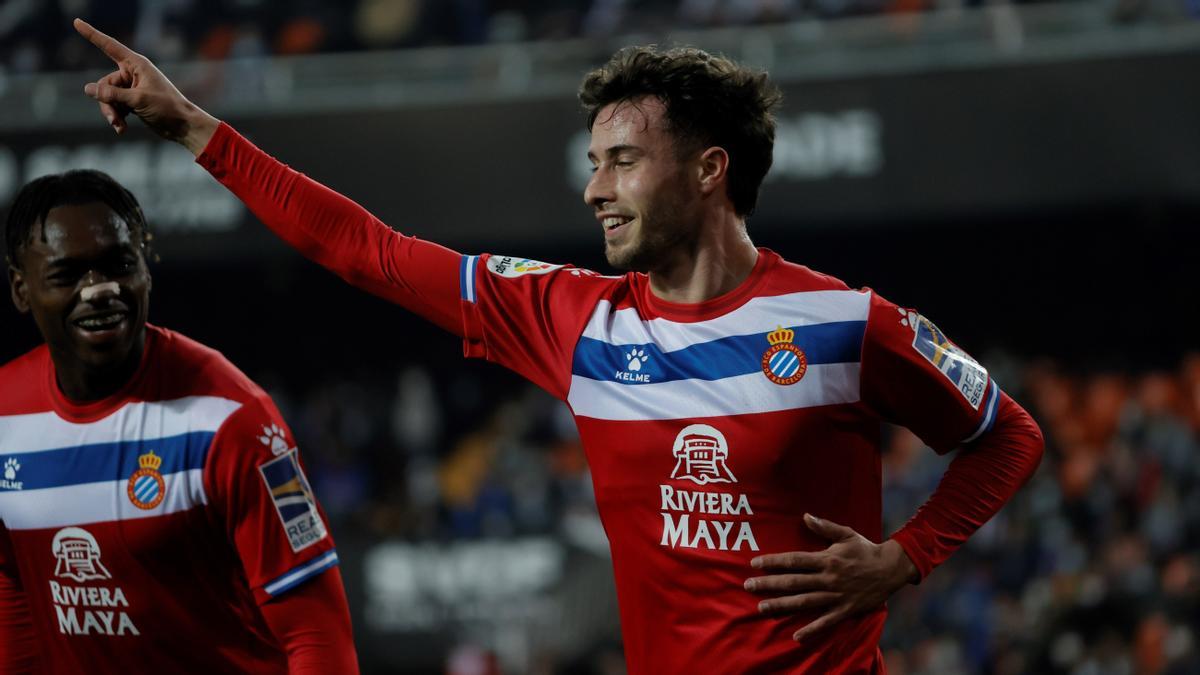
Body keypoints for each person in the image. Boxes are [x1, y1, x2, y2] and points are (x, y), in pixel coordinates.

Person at [73, 18, 1044, 673]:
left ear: (710, 171)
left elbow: (1007, 435)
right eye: (594, 165)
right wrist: (196, 127)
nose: (595, 190)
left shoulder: (844, 323)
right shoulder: (570, 317)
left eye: (623, 161)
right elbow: (363, 250)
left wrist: (906, 557)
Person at [0, 169, 359, 674]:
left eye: (119, 265)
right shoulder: (5, 419)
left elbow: (315, 633)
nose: (98, 290)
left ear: (146, 271)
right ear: (22, 289)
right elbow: (14, 588)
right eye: (68, 275)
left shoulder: (230, 418)